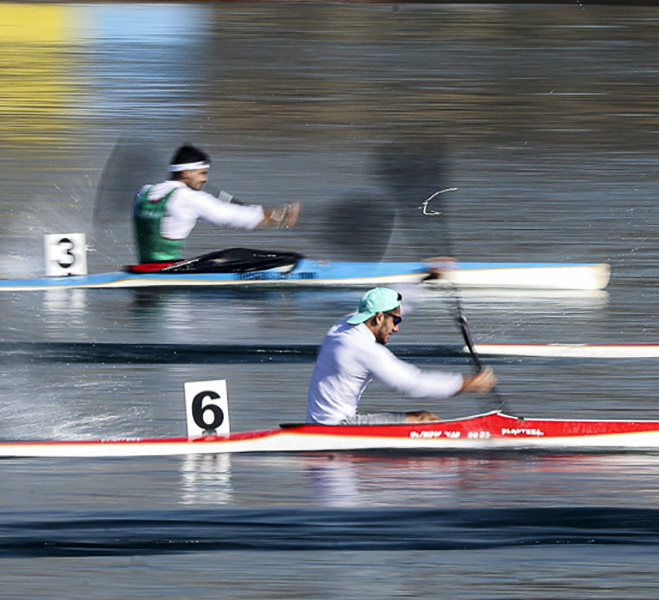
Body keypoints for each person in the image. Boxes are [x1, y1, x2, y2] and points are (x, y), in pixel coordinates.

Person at [307, 286, 497, 425]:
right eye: (395, 321)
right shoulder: (365, 350)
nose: (396, 329)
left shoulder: (342, 327)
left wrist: (425, 280)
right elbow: (413, 384)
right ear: (379, 318)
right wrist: (468, 384)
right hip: (338, 426)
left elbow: (393, 303)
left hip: (320, 420)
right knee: (425, 419)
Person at [132, 144, 300, 265]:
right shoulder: (187, 197)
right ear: (186, 173)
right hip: (168, 273)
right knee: (241, 254)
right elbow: (234, 217)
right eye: (202, 173)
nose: (205, 179)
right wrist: (279, 216)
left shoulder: (144, 192)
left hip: (143, 268)